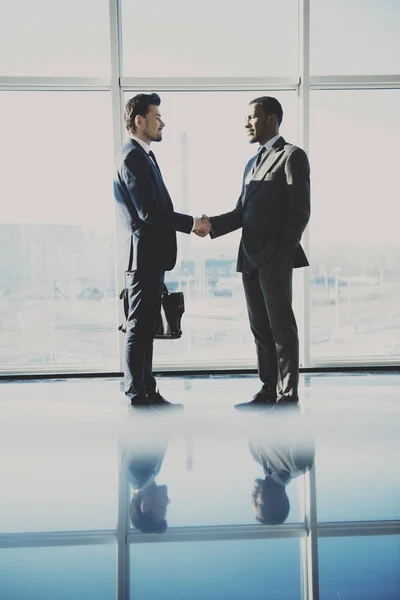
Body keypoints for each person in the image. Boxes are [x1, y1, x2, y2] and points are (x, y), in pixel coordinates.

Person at [197, 97, 310, 409]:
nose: (247, 123)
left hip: (274, 258)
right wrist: (210, 226)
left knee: (281, 327)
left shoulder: (292, 156)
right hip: (248, 257)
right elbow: (241, 213)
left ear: (271, 119)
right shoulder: (250, 165)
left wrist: (280, 254)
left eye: (252, 117)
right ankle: (268, 389)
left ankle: (288, 393)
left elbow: (300, 212)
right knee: (260, 327)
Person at [114, 93, 210, 408]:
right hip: (143, 257)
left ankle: (147, 389)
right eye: (157, 117)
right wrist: (192, 222)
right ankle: (136, 392)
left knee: (146, 327)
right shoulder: (132, 157)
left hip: (151, 256)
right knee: (139, 326)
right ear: (139, 120)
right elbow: (148, 212)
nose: (162, 122)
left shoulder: (143, 156)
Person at [248, 412, 315, 524]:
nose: (252, 496)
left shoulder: (255, 454)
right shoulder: (299, 463)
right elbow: (300, 412)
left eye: (252, 502)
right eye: (259, 504)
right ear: (278, 501)